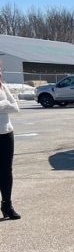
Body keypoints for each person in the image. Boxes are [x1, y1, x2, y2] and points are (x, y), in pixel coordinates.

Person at [0, 69, 20, 219]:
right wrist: (5, 104)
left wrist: (4, 104)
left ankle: (7, 205)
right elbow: (9, 105)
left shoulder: (2, 86)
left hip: (6, 133)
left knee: (6, 171)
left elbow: (15, 107)